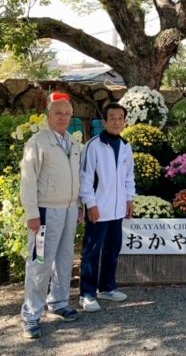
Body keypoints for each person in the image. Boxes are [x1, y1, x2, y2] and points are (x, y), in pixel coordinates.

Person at [20, 93, 83, 339]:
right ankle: (31, 316)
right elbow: (28, 180)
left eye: (67, 113)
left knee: (65, 259)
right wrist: (32, 213)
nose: (63, 117)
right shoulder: (38, 142)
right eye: (58, 113)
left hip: (68, 211)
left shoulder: (74, 143)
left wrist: (78, 206)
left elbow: (77, 177)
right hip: (45, 212)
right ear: (48, 115)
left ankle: (58, 303)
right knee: (40, 262)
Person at [79, 103, 135, 312]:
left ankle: (107, 288)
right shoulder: (93, 145)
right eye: (112, 117)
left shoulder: (126, 146)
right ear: (104, 121)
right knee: (92, 252)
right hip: (98, 210)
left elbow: (129, 177)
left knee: (112, 250)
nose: (117, 121)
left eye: (121, 118)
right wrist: (90, 204)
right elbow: (85, 179)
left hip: (118, 210)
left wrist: (129, 200)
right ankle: (87, 293)